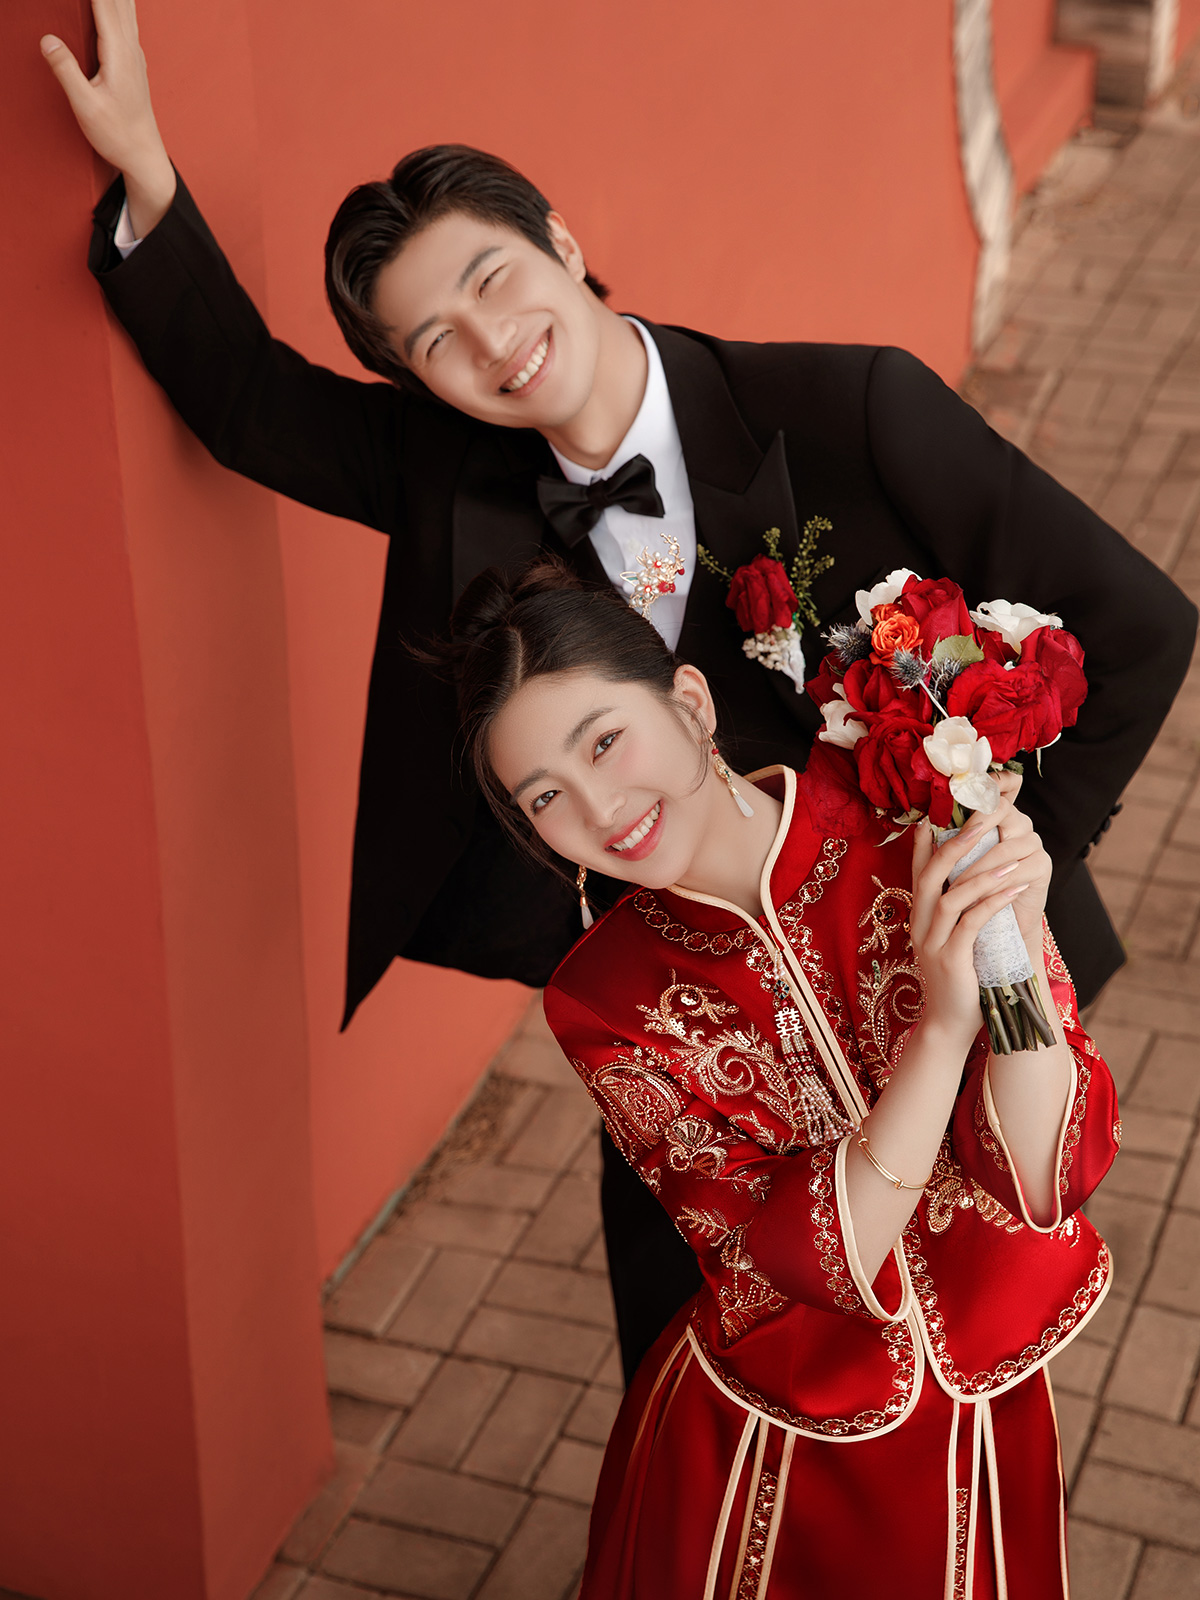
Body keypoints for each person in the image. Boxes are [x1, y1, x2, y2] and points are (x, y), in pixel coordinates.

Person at [40, 0, 1189, 1386]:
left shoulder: (852, 408)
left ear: (562, 243)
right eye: (434, 342)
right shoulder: (452, 476)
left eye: (492, 279)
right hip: (690, 1025)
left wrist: (1018, 864)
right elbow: (250, 405)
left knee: (978, 1303)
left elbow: (1140, 625)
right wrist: (144, 172)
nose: (490, 342)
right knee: (690, 1337)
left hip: (920, 960)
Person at [431, 557, 1116, 1598]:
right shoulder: (603, 1003)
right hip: (776, 1459)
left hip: (992, 1402)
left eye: (605, 741)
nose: (602, 809)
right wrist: (941, 1031)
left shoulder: (896, 813)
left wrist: (1010, 951)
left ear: (691, 702)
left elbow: (1043, 1178)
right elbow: (801, 1259)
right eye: (546, 797)